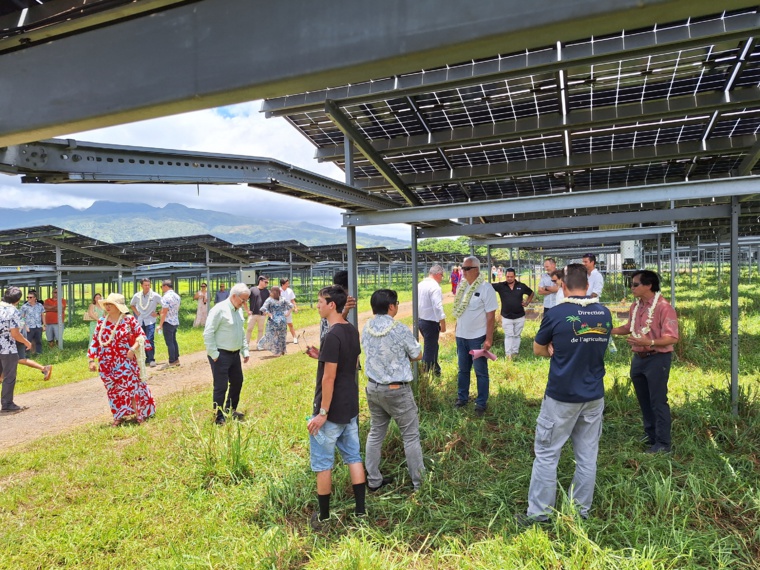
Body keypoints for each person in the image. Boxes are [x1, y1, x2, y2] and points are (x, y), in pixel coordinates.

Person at [516, 264, 611, 526]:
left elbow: (537, 349)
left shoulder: (557, 314)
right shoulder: (604, 313)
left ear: (564, 286)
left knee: (547, 455)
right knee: (587, 457)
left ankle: (539, 515)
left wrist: (551, 349)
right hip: (593, 396)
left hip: (562, 396)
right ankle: (579, 512)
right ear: (588, 285)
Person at [307, 286, 364, 529]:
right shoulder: (351, 330)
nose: (317, 305)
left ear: (332, 305)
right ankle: (361, 511)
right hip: (349, 404)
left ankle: (324, 516)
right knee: (353, 456)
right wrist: (321, 355)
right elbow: (348, 363)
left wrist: (322, 413)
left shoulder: (331, 336)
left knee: (323, 463)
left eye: (321, 301)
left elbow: (328, 378)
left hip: (331, 410)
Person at [363, 289, 424, 492]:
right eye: (396, 303)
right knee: (410, 436)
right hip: (397, 390)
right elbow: (417, 354)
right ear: (391, 306)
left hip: (373, 388)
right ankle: (419, 483)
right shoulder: (398, 329)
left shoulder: (366, 327)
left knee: (376, 432)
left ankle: (373, 479)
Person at [611, 270, 679, 454]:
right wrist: (609, 330)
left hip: (657, 358)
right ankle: (651, 435)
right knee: (644, 399)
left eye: (634, 284)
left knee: (657, 400)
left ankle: (663, 444)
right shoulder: (636, 306)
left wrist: (648, 342)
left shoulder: (664, 307)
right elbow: (629, 327)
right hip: (638, 358)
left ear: (648, 285)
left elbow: (672, 338)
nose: (631, 288)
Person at [88, 293, 156, 427]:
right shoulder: (102, 321)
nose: (107, 307)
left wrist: (132, 349)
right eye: (106, 304)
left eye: (111, 304)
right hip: (106, 363)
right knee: (113, 390)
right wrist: (91, 360)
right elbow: (95, 341)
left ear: (118, 306)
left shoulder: (129, 320)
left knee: (132, 387)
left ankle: (139, 415)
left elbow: (141, 337)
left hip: (125, 361)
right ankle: (118, 416)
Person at [453, 256, 498, 417]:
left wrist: (488, 338)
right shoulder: (462, 286)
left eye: (466, 269)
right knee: (463, 370)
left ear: (476, 269)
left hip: (478, 337)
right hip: (461, 336)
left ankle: (481, 403)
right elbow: (459, 310)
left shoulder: (486, 288)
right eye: (462, 268)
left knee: (480, 371)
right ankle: (462, 398)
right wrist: (456, 330)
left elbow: (491, 315)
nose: (463, 272)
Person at [203, 283, 250, 425]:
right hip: (220, 355)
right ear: (234, 296)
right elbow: (208, 333)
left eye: (246, 300)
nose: (244, 303)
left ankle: (230, 410)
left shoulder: (238, 310)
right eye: (243, 300)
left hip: (235, 354)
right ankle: (218, 416)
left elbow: (240, 332)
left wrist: (244, 350)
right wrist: (214, 354)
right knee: (221, 386)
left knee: (237, 382)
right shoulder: (219, 310)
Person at [0, 287, 33, 414]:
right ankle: (7, 403)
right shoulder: (13, 311)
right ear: (18, 300)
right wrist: (26, 342)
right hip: (7, 348)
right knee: (9, 376)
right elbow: (15, 333)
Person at [492, 268, 534, 360]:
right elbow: (488, 286)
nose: (509, 278)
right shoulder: (501, 286)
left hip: (519, 316)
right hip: (506, 316)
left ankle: (515, 353)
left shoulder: (521, 286)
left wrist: (527, 302)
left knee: (517, 335)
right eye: (507, 276)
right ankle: (508, 355)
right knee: (508, 335)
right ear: (505, 276)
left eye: (511, 276)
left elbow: (531, 293)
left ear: (515, 276)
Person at [417, 264, 446, 375]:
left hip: (421, 320)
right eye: (442, 275)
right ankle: (424, 374)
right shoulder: (435, 287)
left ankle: (436, 370)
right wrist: (442, 322)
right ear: (438, 274)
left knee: (433, 346)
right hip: (430, 323)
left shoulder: (420, 284)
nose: (442, 278)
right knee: (430, 349)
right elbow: (438, 306)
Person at [130, 279, 162, 368]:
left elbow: (165, 304)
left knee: (150, 338)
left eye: (149, 285)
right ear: (141, 286)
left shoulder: (154, 295)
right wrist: (136, 312)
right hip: (140, 321)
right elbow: (132, 304)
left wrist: (158, 313)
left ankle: (151, 359)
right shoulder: (137, 296)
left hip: (150, 320)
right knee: (141, 340)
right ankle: (144, 359)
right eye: (145, 285)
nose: (147, 287)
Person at [257, 286, 293, 356]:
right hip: (282, 320)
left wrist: (269, 313)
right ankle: (282, 350)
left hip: (273, 320)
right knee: (282, 336)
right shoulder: (283, 299)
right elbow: (291, 305)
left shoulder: (269, 300)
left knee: (271, 335)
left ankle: (276, 351)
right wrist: (287, 313)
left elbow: (263, 308)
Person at [158, 279, 181, 367]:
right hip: (175, 321)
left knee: (169, 342)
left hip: (168, 321)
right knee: (174, 341)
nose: (161, 289)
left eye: (162, 287)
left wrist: (160, 325)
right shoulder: (177, 296)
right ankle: (176, 359)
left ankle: (172, 361)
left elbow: (164, 311)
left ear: (165, 286)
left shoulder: (166, 297)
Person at [247, 276, 270, 348]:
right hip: (253, 314)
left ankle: (259, 345)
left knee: (261, 330)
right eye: (265, 282)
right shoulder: (252, 289)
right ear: (260, 281)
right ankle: (246, 345)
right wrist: (247, 310)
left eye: (267, 282)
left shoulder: (267, 292)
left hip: (262, 315)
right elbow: (244, 299)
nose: (266, 284)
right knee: (249, 329)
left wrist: (267, 311)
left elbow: (269, 302)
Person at [19, 290, 44, 354]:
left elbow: (42, 315)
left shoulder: (40, 305)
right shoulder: (24, 307)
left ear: (35, 298)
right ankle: (26, 355)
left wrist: (44, 325)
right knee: (27, 341)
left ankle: (38, 353)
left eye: (30, 297)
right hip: (29, 327)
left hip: (38, 326)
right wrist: (25, 326)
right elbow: (22, 318)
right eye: (27, 297)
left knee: (38, 341)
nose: (28, 299)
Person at [280, 278, 299, 343]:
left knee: (290, 324)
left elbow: (292, 300)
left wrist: (295, 308)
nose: (288, 285)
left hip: (289, 310)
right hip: (280, 311)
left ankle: (295, 337)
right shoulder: (278, 291)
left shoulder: (290, 291)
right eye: (286, 284)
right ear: (282, 284)